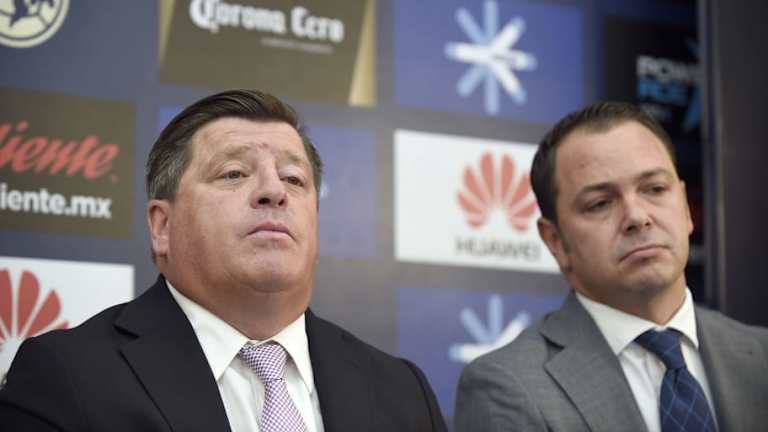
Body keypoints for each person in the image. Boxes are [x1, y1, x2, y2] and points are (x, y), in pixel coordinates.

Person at [0, 90, 447, 432]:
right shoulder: (68, 377)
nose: (274, 191)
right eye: (234, 173)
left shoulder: (403, 391)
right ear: (162, 225)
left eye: (294, 179)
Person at [454, 101, 768, 432]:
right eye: (600, 203)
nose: (637, 216)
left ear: (687, 209)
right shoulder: (508, 388)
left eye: (654, 189)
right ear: (556, 241)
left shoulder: (761, 356)